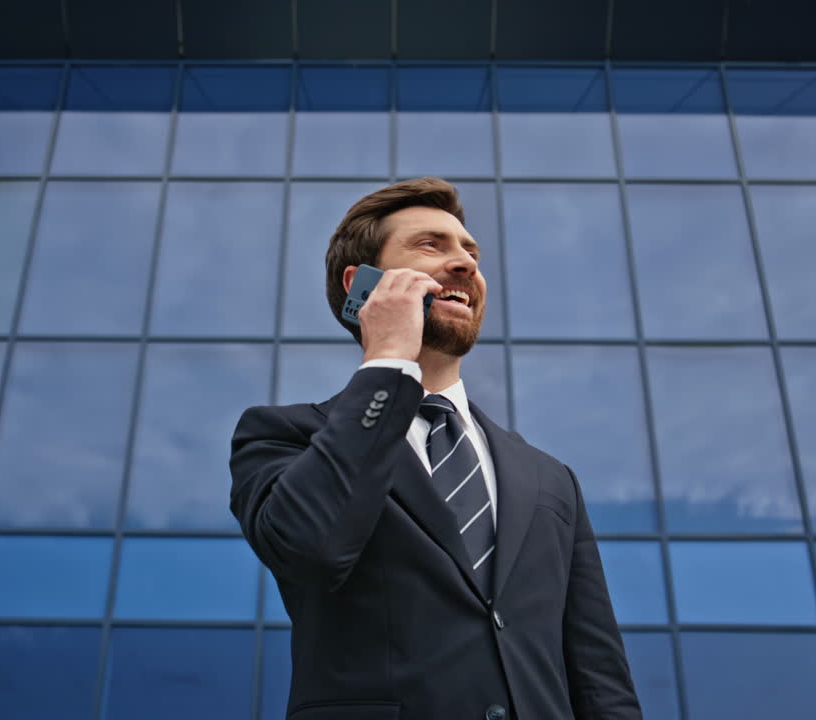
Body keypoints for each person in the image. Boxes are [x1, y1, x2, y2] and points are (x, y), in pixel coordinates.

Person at [230, 178, 641, 719]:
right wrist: (389, 358)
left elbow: (598, 673)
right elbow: (312, 549)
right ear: (363, 285)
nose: (465, 264)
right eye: (431, 246)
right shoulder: (283, 437)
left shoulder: (549, 478)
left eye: (470, 252)